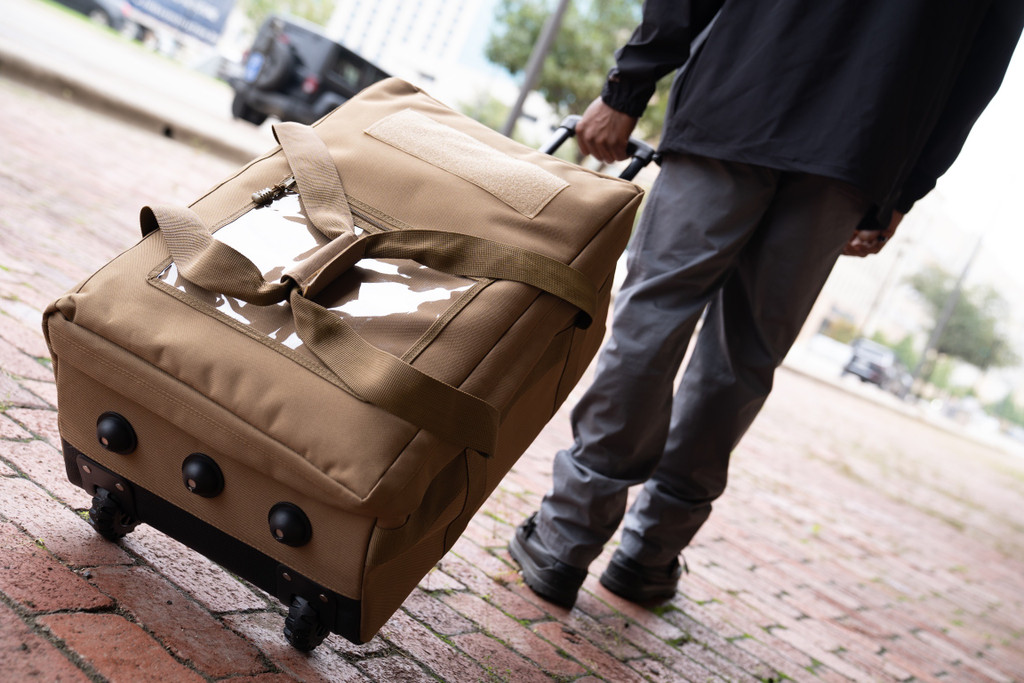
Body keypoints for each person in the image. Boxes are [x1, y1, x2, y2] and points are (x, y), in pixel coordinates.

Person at [508, 0, 1024, 608]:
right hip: (860, 146)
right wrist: (904, 188)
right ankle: (651, 553)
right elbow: (981, 66)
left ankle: (566, 537)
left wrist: (631, 82)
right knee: (745, 354)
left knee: (654, 318)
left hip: (739, 98)